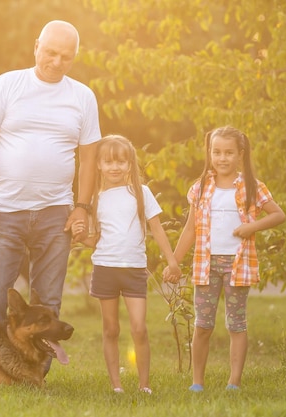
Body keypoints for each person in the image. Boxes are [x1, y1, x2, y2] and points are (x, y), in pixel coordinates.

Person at [0, 20, 101, 334]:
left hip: (56, 215)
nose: (57, 62)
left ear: (74, 57)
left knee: (48, 301)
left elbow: (89, 159)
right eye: (51, 53)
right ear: (36, 47)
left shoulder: (83, 97)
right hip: (3, 211)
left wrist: (82, 208)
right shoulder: (7, 84)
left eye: (66, 57)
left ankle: (34, 372)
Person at [163, 126, 286, 392]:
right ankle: (197, 382)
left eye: (229, 153)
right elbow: (190, 228)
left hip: (238, 266)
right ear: (209, 153)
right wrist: (174, 260)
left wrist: (251, 227)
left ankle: (234, 382)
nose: (222, 158)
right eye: (217, 152)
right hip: (206, 266)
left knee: (236, 324)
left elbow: (278, 215)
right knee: (203, 324)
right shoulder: (201, 188)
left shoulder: (252, 187)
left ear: (240, 155)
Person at [73, 134, 181, 395]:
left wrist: (173, 262)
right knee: (111, 329)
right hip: (105, 269)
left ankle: (144, 385)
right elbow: (94, 240)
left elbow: (157, 229)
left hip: (134, 270)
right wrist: (79, 236)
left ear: (130, 165)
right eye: (108, 162)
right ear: (98, 165)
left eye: (121, 162)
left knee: (139, 328)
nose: (114, 167)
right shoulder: (95, 199)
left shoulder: (141, 193)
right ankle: (117, 386)